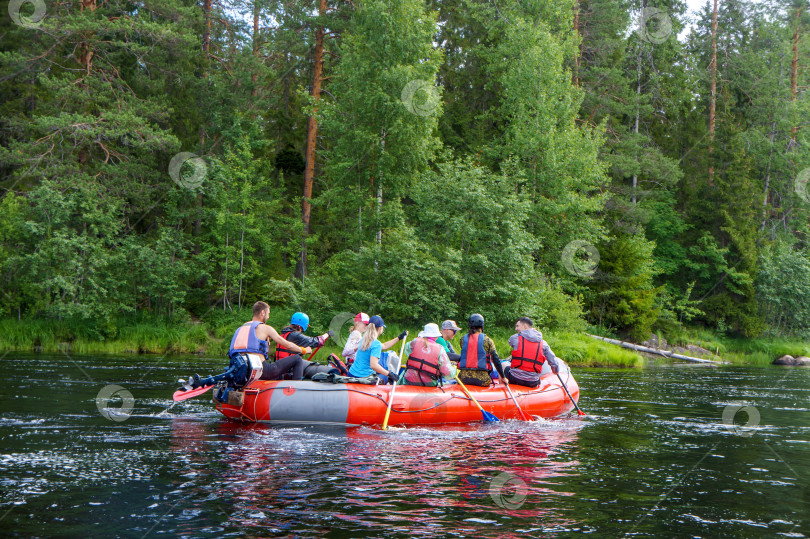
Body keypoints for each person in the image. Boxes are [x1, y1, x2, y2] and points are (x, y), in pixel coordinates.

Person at [228, 301, 311, 381]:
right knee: (297, 359)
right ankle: (295, 389)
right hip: (261, 371)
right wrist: (304, 350)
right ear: (263, 313)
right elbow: (288, 345)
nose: (268, 317)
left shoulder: (240, 329)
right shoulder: (265, 328)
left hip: (240, 371)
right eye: (268, 314)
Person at [275, 311, 334, 379]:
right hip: (289, 371)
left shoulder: (284, 333)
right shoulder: (296, 335)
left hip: (280, 369)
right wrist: (327, 334)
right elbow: (317, 341)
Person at [505, 317, 560, 388]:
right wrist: (555, 371)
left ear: (525, 326)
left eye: (517, 326)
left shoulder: (515, 338)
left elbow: (511, 342)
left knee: (503, 365)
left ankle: (503, 391)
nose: (516, 329)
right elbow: (553, 362)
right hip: (533, 381)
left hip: (515, 379)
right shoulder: (543, 343)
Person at [346, 315, 402, 384]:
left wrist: (399, 338)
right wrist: (389, 374)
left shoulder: (364, 339)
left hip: (351, 374)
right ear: (381, 328)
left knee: (383, 373)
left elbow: (384, 346)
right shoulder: (376, 344)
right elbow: (374, 365)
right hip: (363, 377)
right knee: (385, 377)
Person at [457, 313, 504, 387]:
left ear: (469, 325)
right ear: (482, 326)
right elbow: (496, 359)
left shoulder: (463, 339)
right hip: (482, 380)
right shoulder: (487, 340)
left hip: (463, 379)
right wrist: (503, 377)